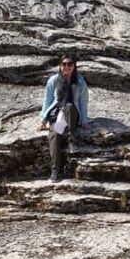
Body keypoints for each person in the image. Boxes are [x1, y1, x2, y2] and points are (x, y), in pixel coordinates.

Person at [37, 54, 89, 182]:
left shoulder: (80, 82)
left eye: (69, 64)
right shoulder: (53, 81)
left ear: (74, 66)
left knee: (70, 106)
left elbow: (83, 102)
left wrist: (84, 121)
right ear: (60, 66)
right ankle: (55, 170)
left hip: (73, 114)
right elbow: (47, 101)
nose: (66, 67)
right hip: (58, 113)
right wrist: (43, 120)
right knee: (54, 135)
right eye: (64, 64)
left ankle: (72, 135)